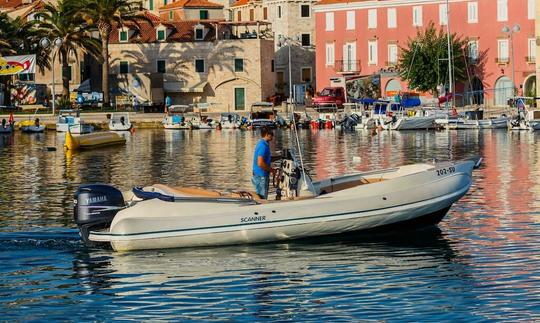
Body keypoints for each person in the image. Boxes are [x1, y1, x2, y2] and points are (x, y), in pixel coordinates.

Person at [252, 126, 274, 199]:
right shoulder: (263, 146)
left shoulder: (262, 143)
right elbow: (260, 163)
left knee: (261, 197)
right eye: (271, 134)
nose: (273, 135)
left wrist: (280, 157)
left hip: (259, 175)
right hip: (261, 176)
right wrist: (271, 170)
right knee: (262, 199)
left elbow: (266, 159)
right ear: (267, 134)